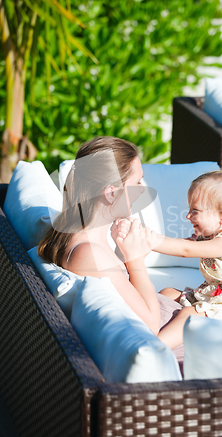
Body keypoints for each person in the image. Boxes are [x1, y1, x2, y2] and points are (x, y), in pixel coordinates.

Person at [118, 170, 222, 349]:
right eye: (189, 210)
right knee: (169, 291)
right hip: (218, 294)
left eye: (195, 211)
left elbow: (186, 250)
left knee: (190, 314)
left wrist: (148, 240)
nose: (188, 216)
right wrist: (146, 237)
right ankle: (142, 320)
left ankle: (153, 348)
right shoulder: (212, 236)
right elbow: (182, 243)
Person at [38, 136, 161, 335]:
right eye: (137, 181)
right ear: (111, 193)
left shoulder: (83, 235)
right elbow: (150, 325)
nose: (141, 189)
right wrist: (135, 259)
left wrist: (123, 252)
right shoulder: (89, 253)